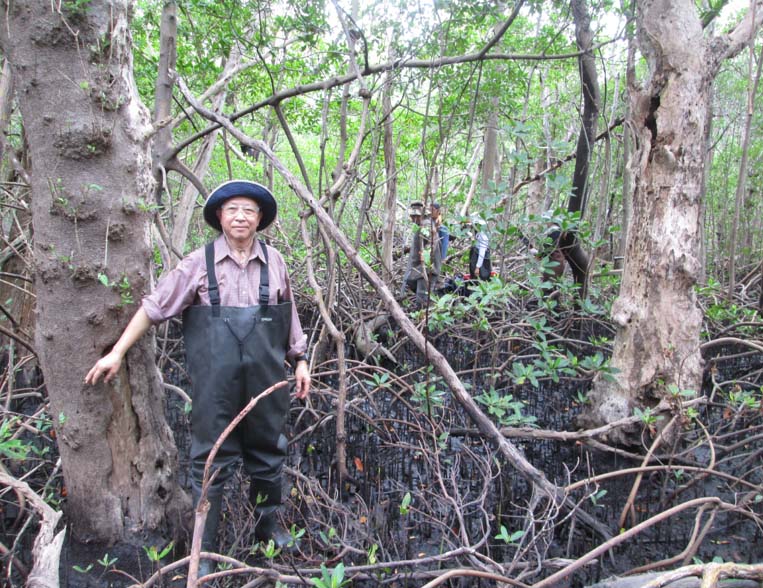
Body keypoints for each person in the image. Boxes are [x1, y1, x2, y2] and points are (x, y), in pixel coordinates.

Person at [85, 180, 310, 574]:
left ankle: (267, 532)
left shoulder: (275, 261)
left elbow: (287, 313)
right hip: (215, 388)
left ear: (259, 219)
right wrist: (117, 352)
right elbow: (154, 307)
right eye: (232, 210)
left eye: (249, 211)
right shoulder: (197, 263)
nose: (240, 217)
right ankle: (203, 551)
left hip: (267, 382)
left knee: (269, 453)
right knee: (209, 461)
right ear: (220, 217)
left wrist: (301, 360)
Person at [401, 201, 442, 305]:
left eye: (415, 216)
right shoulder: (421, 225)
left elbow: (433, 241)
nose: (413, 219)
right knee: (412, 284)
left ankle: (424, 317)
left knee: (422, 299)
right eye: (412, 216)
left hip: (426, 268)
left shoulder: (427, 225)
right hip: (418, 268)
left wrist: (426, 254)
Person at [468, 216, 492, 281]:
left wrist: (478, 267)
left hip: (482, 264)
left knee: (481, 278)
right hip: (476, 259)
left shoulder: (483, 236)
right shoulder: (479, 234)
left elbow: (482, 253)